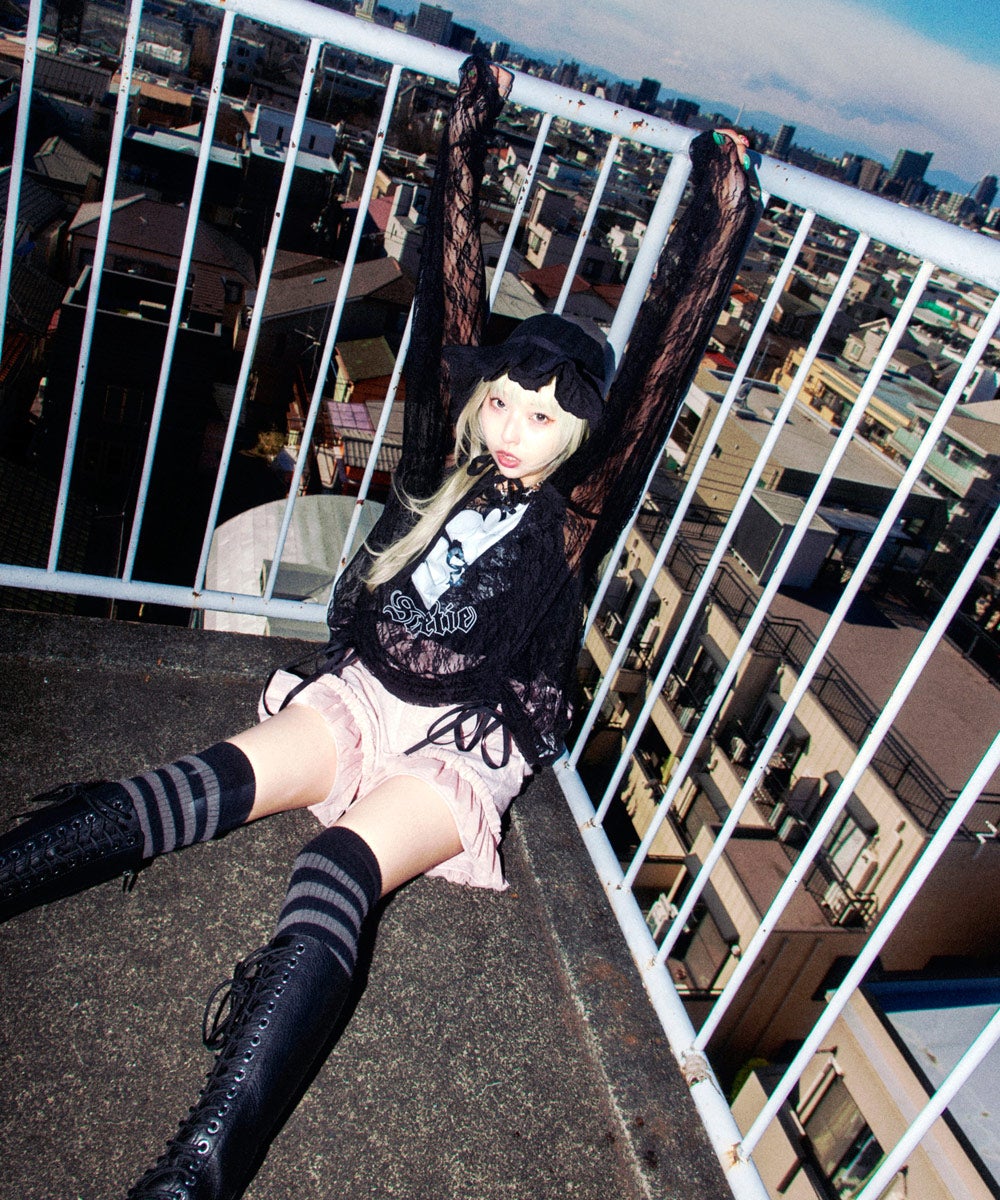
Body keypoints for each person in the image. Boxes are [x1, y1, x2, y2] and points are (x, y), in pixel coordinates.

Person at [0, 57, 758, 1200]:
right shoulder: (439, 460)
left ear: (579, 439)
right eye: (503, 402)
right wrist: (464, 135)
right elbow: (449, 289)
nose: (511, 432)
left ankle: (200, 1167)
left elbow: (660, 365)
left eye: (543, 419)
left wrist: (718, 210)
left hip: (459, 742)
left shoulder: (573, 515)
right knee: (200, 781)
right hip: (361, 695)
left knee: (337, 867)